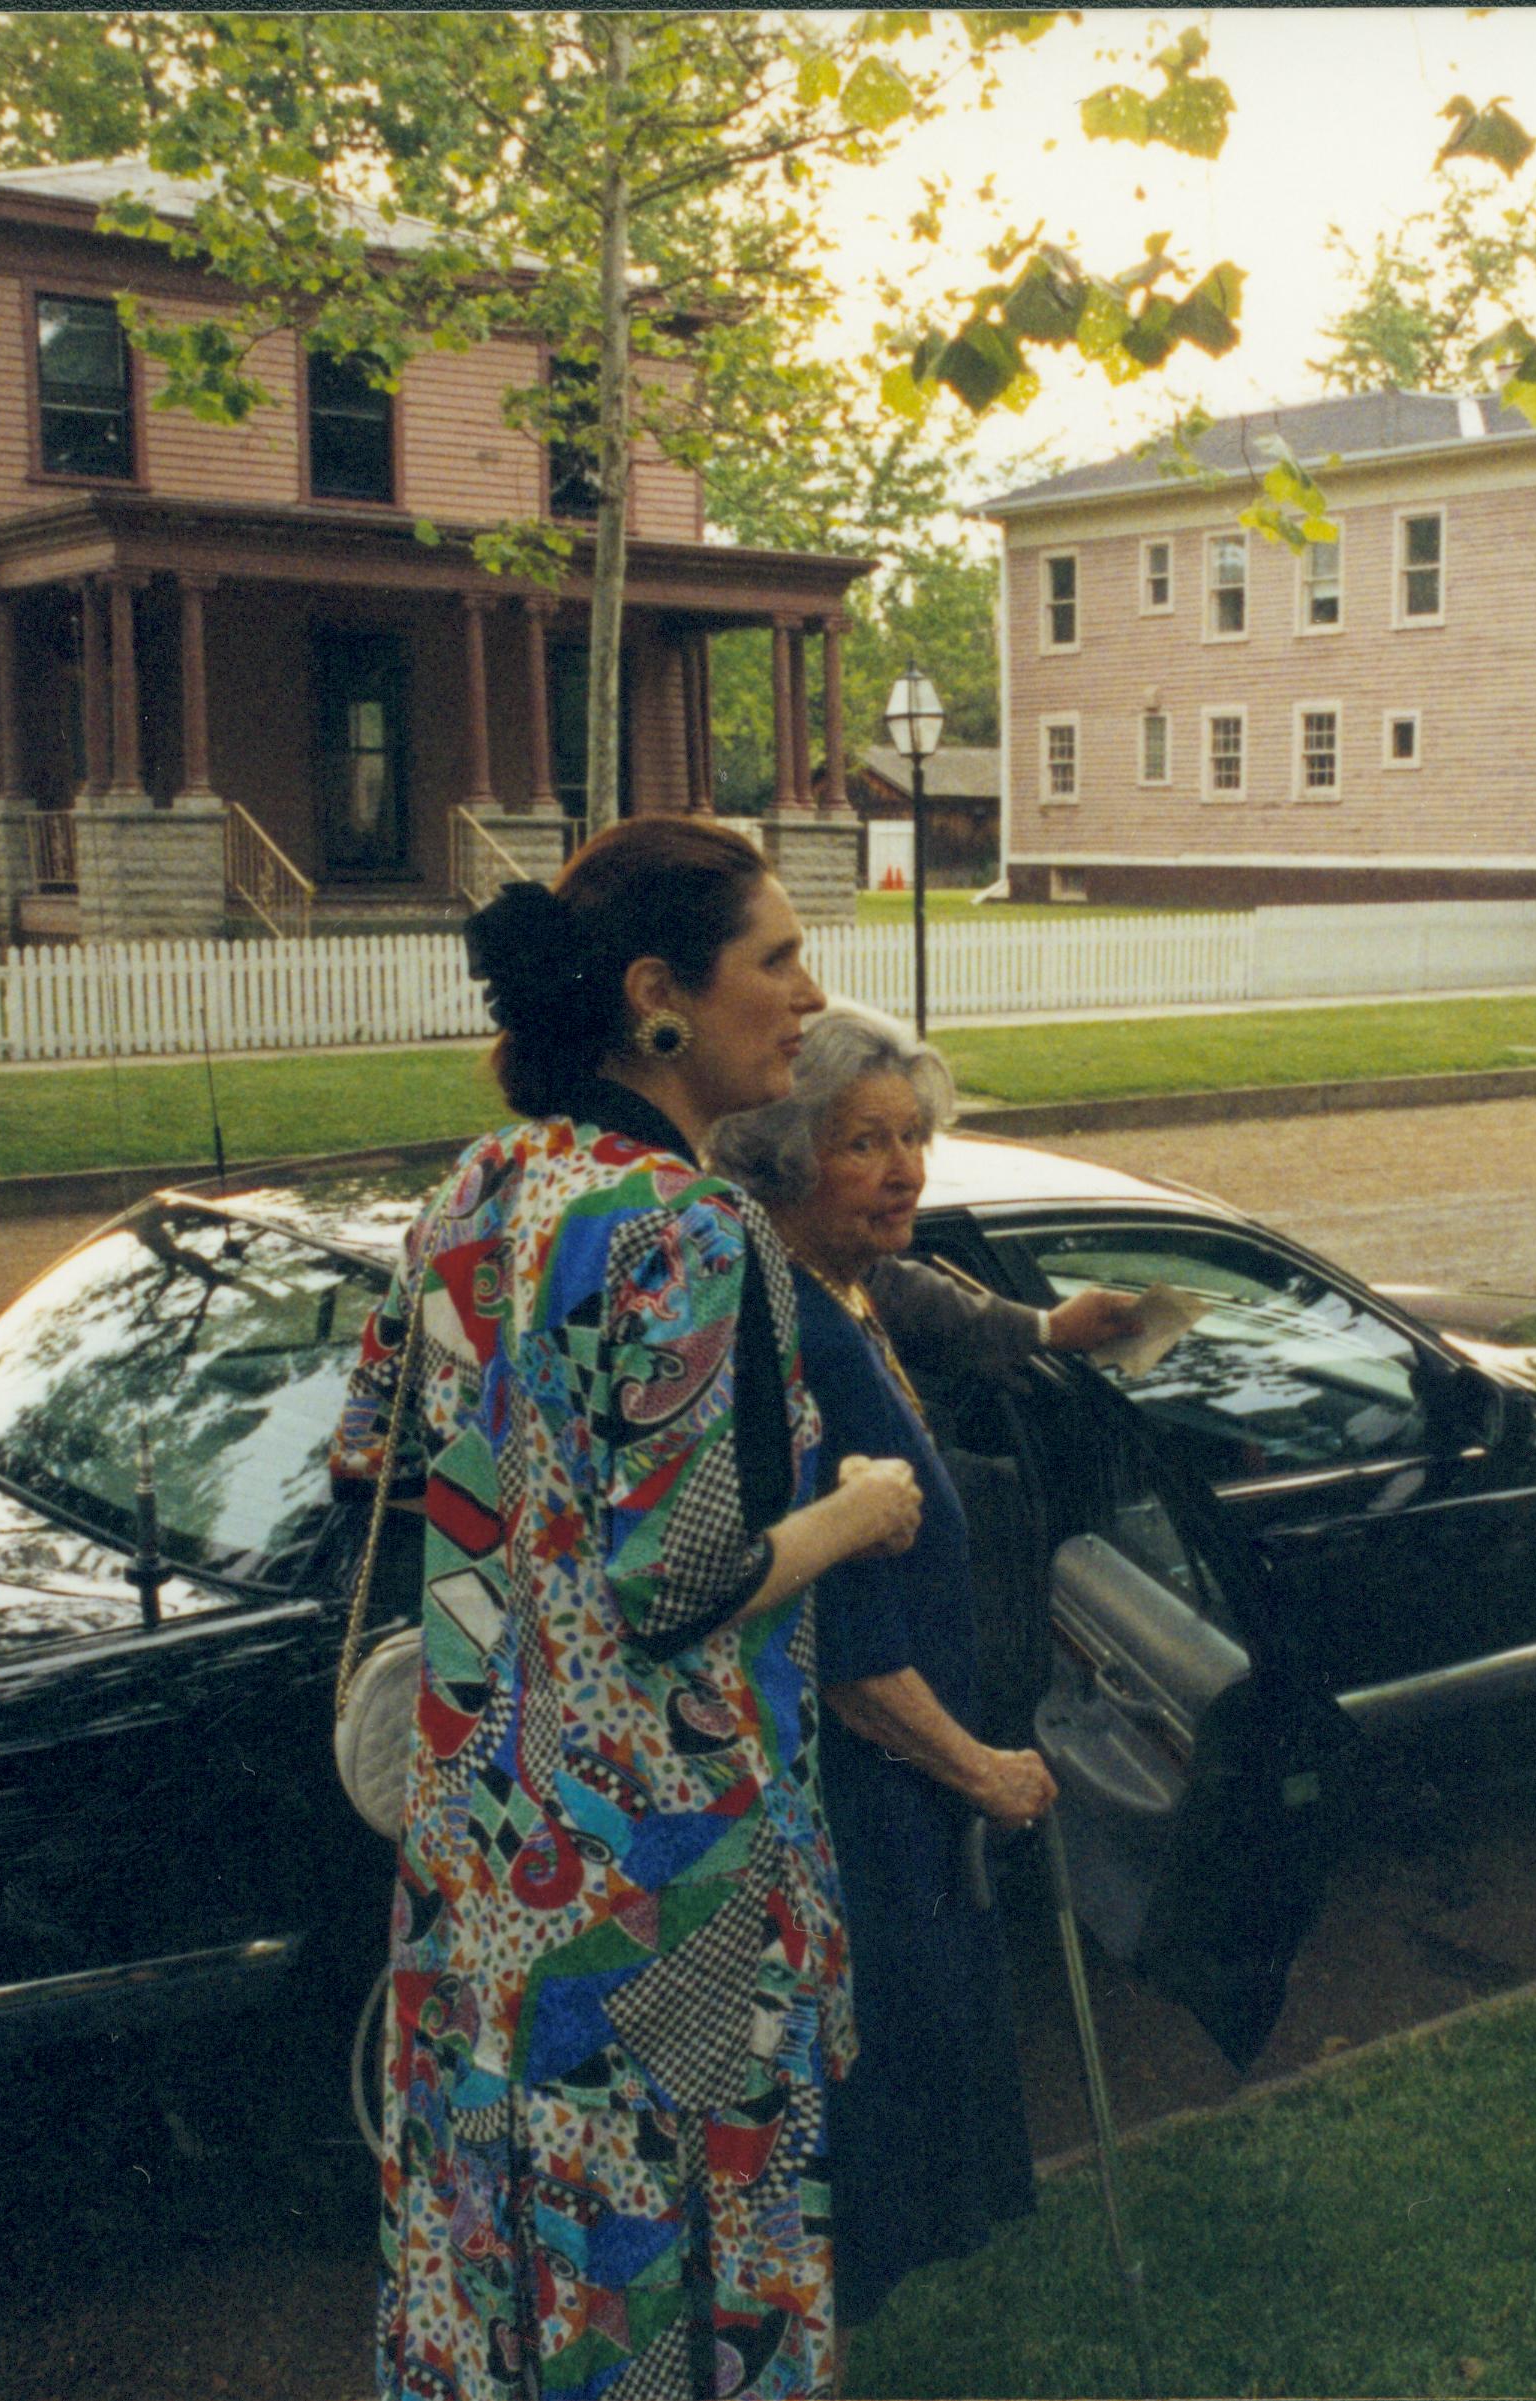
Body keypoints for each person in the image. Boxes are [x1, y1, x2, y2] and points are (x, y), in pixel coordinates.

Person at [342, 818, 925, 2401]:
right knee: (676, 2280)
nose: (808, 995)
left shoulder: (479, 1186)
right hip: (668, 1884)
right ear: (659, 995)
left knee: (522, 2269)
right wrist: (856, 1511)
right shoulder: (690, 1229)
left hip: (486, 1873)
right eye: (779, 958)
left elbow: (379, 1469)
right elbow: (679, 1581)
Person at [706, 1003, 1123, 2325]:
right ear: (780, 1161)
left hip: (899, 1796)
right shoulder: (792, 1337)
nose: (903, 1171)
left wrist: (1050, 1329)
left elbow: (927, 1295)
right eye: (861, 1144)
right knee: (863, 2109)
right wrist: (980, 1767)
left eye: (913, 1138)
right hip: (860, 1802)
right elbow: (831, 1644)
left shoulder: (843, 1285)